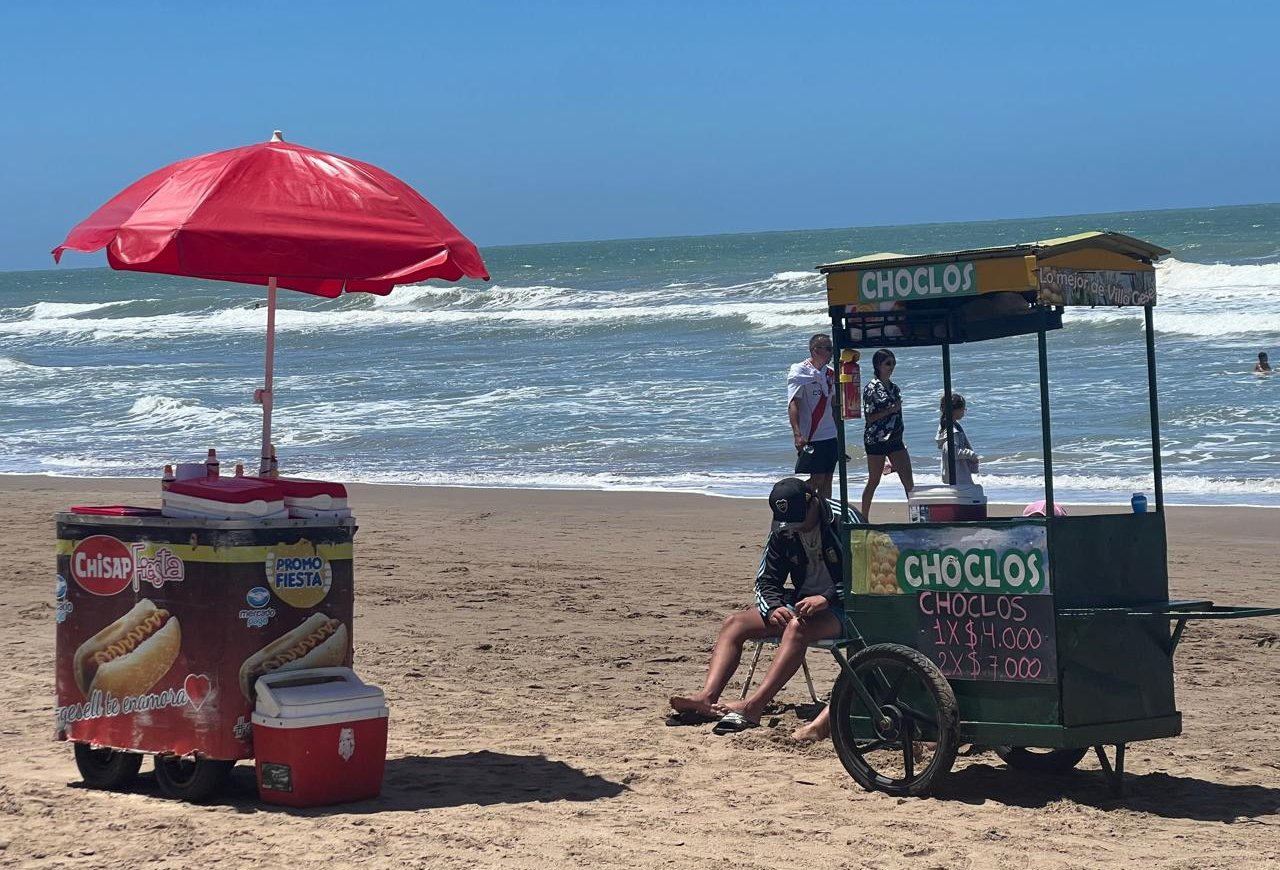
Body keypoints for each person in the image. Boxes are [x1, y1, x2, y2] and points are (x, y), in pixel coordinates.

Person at [668, 477, 845, 733]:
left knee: (798, 627)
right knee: (735, 624)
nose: (794, 527)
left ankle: (754, 706)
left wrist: (827, 598)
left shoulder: (843, 520)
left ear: (814, 502)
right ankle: (707, 697)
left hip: (846, 606)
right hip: (802, 601)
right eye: (789, 523)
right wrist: (772, 608)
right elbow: (765, 580)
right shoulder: (784, 526)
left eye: (799, 520)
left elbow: (867, 576)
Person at [860, 349, 914, 520]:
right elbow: (869, 417)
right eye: (888, 363)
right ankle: (864, 518)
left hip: (896, 439)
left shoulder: (894, 388)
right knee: (874, 480)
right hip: (876, 439)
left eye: (893, 363)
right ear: (878, 365)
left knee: (909, 482)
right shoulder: (871, 388)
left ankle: (915, 518)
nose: (892, 367)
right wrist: (890, 410)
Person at [787, 334, 838, 500]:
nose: (832, 352)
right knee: (817, 479)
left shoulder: (831, 374)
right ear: (815, 350)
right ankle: (792, 499)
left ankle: (824, 513)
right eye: (828, 349)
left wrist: (839, 431)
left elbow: (834, 404)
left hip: (830, 434)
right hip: (812, 435)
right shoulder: (800, 371)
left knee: (828, 480)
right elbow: (793, 403)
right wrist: (797, 434)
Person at [935, 393, 980, 486]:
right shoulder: (952, 431)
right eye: (963, 409)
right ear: (955, 410)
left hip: (955, 473)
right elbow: (953, 452)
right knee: (968, 492)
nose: (964, 412)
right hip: (958, 473)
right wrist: (971, 455)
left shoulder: (946, 426)